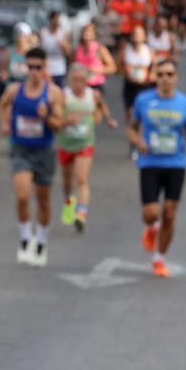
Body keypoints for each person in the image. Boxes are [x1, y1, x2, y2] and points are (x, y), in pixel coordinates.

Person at [126, 58, 186, 278]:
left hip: (175, 163)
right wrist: (138, 142)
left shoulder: (185, 103)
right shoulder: (143, 100)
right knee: (151, 213)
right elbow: (131, 128)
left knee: (170, 213)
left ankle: (159, 258)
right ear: (155, 77)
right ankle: (152, 226)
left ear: (176, 77)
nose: (164, 78)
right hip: (149, 163)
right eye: (160, 74)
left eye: (169, 74)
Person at [0, 46, 64, 267]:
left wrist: (47, 117)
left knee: (43, 199)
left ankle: (42, 241)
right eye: (30, 66)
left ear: (45, 68)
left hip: (44, 151)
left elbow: (59, 125)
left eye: (38, 67)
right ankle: (26, 238)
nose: (33, 71)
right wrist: (5, 123)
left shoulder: (53, 93)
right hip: (21, 149)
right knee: (23, 194)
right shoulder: (16, 90)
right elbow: (2, 105)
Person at [56, 63, 115, 233]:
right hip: (66, 143)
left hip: (85, 143)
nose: (78, 83)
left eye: (81, 79)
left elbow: (102, 107)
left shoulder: (94, 95)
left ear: (87, 80)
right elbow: (56, 119)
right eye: (74, 79)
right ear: (69, 80)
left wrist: (107, 120)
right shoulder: (63, 96)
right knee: (67, 181)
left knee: (82, 178)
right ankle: (69, 202)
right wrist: (67, 121)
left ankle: (81, 213)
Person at [120, 25, 156, 159]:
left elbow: (155, 66)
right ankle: (133, 143)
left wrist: (152, 74)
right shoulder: (126, 50)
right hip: (130, 87)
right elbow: (118, 66)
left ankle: (140, 144)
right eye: (134, 34)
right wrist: (126, 71)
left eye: (139, 34)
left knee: (141, 117)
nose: (136, 36)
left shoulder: (148, 51)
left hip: (144, 87)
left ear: (144, 37)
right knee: (130, 117)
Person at [74, 22, 117, 97]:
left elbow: (113, 67)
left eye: (89, 32)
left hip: (96, 86)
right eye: (85, 31)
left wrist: (98, 70)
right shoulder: (78, 49)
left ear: (94, 35)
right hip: (82, 85)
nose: (86, 34)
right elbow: (73, 66)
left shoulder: (100, 49)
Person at [42, 10, 73, 87]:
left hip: (59, 69)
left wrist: (63, 46)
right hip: (46, 68)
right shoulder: (43, 33)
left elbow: (69, 53)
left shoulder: (64, 34)